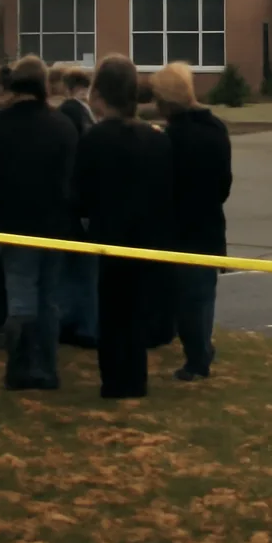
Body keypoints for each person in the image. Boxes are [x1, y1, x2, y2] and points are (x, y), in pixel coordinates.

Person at [0, 56, 79, 390]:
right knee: (49, 298)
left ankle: (21, 368)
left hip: (13, 223)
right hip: (55, 227)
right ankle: (47, 367)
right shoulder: (63, 127)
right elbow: (73, 181)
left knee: (21, 296)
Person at [73, 55, 175, 399]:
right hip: (147, 237)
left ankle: (116, 380)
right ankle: (135, 378)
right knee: (136, 311)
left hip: (109, 236)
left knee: (113, 311)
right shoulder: (157, 140)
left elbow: (79, 194)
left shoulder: (93, 140)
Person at [152, 62, 232, 381]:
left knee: (185, 297)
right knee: (203, 292)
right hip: (210, 220)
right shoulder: (216, 129)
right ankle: (202, 348)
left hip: (181, 226)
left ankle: (196, 357)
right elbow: (224, 183)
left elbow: (163, 187)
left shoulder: (171, 138)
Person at [56, 67, 98, 349]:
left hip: (76, 200)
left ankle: (81, 323)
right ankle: (86, 322)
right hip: (84, 200)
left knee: (78, 267)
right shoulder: (82, 115)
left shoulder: (70, 113)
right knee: (84, 268)